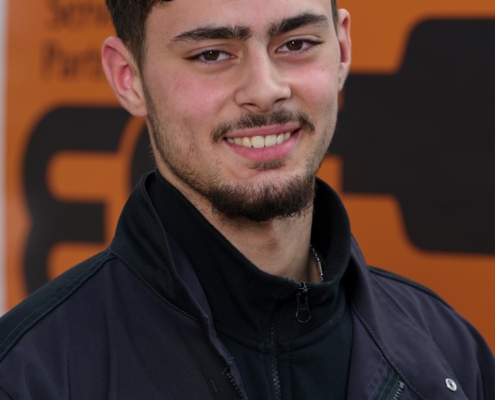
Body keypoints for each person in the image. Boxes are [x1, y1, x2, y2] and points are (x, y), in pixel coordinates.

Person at [0, 0, 493, 398]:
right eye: (212, 54)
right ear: (129, 77)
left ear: (342, 50)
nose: (265, 89)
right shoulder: (29, 376)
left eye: (296, 44)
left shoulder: (452, 352)